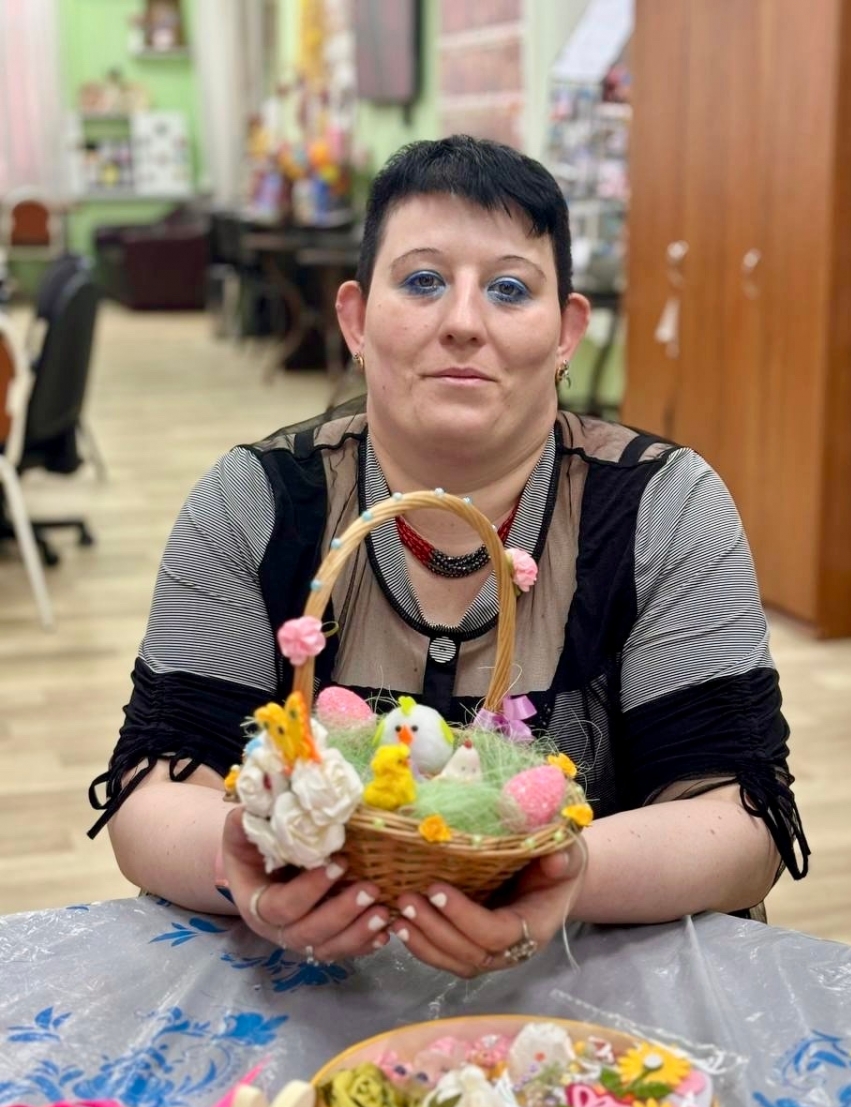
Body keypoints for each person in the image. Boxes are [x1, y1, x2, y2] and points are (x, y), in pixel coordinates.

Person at [89, 135, 809, 978]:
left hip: (587, 989)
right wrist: (242, 859)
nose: (464, 322)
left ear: (567, 332)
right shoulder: (254, 502)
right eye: (424, 281)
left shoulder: (663, 507)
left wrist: (561, 873)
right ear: (355, 319)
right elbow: (152, 795)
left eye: (510, 288)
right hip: (310, 984)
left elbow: (740, 819)